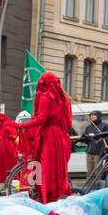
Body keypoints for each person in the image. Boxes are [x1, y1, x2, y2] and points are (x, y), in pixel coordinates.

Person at [16, 74, 72, 202]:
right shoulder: (64, 99)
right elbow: (68, 122)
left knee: (46, 167)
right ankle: (58, 195)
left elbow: (41, 119)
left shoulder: (46, 97)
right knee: (58, 169)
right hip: (62, 136)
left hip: (50, 136)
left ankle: (48, 196)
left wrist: (21, 125)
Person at [82, 109, 108, 185]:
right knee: (89, 172)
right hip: (90, 151)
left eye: (94, 115)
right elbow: (86, 139)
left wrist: (103, 151)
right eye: (91, 115)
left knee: (97, 172)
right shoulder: (88, 127)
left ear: (98, 116)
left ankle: (98, 187)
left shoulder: (104, 126)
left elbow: (107, 138)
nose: (92, 117)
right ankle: (88, 187)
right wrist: (84, 138)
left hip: (98, 152)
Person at [0, 112, 19, 183]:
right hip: (0, 150)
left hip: (7, 149)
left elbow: (13, 136)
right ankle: (1, 181)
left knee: (9, 165)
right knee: (0, 167)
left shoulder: (7, 125)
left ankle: (11, 181)